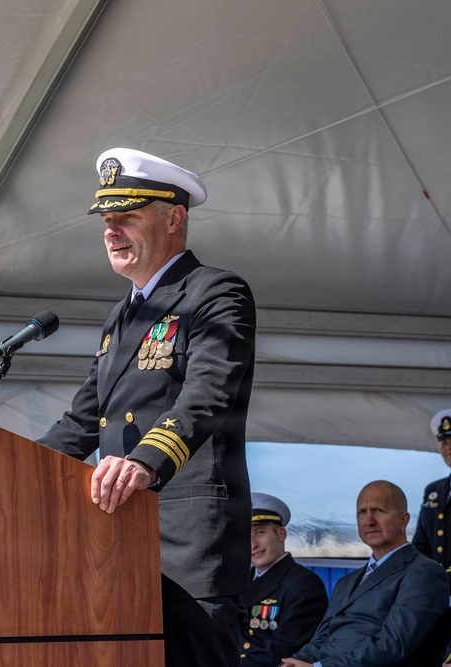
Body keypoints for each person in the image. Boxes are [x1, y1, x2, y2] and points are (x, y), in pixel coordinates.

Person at [37, 147, 257, 667]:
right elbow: (81, 423)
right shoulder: (122, 315)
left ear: (174, 218)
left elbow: (207, 396)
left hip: (188, 548)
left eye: (127, 218)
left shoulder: (216, 292)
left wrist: (143, 462)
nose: (111, 231)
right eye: (106, 221)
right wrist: (2, 471)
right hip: (120, 544)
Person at [283, 481, 449, 667]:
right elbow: (320, 639)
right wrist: (296, 662)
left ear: (403, 520)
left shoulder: (423, 573)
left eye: (378, 510)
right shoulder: (346, 582)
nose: (369, 521)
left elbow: (392, 646)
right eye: (362, 512)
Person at [241, 493, 328, 666]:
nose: (252, 545)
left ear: (281, 534)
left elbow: (284, 651)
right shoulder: (240, 582)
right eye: (245, 536)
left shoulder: (304, 584)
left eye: (259, 533)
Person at [412, 409, 451, 577]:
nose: (448, 447)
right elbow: (421, 545)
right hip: (437, 586)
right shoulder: (433, 491)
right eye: (444, 442)